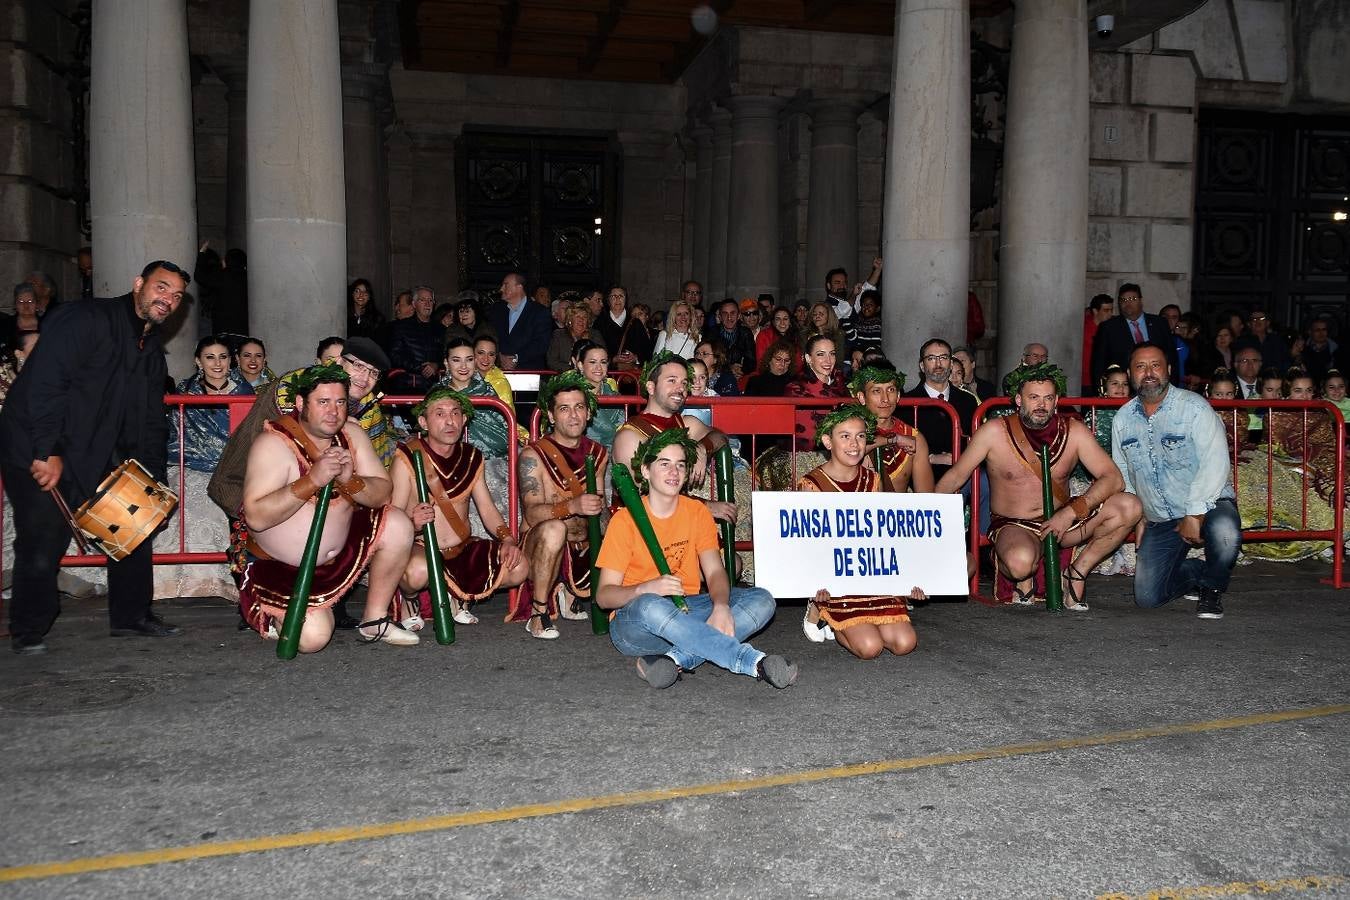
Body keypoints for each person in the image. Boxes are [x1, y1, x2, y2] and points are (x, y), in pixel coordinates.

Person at [0, 259, 193, 653]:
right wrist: (46, 450)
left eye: (175, 296)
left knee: (131, 524)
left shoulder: (150, 348)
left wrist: (152, 478)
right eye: (161, 288)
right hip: (38, 444)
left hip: (95, 448)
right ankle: (28, 628)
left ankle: (131, 616)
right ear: (139, 283)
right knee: (43, 539)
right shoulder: (85, 319)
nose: (167, 300)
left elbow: (149, 418)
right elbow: (45, 384)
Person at [596, 428, 795, 689]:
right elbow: (604, 596)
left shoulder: (697, 512)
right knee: (650, 604)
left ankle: (674, 660)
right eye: (664, 464)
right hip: (636, 622)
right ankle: (751, 662)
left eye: (680, 465)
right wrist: (647, 588)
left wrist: (721, 606)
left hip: (688, 608)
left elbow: (714, 572)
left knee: (762, 600)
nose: (673, 472)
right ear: (645, 470)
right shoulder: (624, 520)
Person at [236, 362, 418, 649]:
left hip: (338, 562)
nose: (333, 412)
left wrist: (351, 481)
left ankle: (375, 620)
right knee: (314, 638)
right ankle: (267, 613)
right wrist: (312, 480)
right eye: (323, 402)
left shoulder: (352, 435)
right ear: (300, 403)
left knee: (396, 523)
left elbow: (382, 493)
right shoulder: (273, 443)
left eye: (340, 402)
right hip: (279, 569)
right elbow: (257, 517)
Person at [937, 363, 1142, 610]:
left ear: (1056, 401)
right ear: (1018, 400)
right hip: (1014, 524)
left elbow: (1113, 478)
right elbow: (956, 477)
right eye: (1033, 397)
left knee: (1129, 506)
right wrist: (925, 519)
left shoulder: (1074, 431)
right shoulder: (994, 431)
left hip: (1063, 523)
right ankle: (1011, 565)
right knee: (1020, 562)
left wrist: (1069, 513)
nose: (1041, 405)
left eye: (1047, 398)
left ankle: (1077, 572)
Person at [1112, 343, 1240, 618]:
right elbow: (1122, 472)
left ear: (1169, 370)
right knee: (1148, 597)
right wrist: (1139, 517)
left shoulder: (1194, 408)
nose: (1149, 373)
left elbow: (1215, 462)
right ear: (1130, 374)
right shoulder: (1122, 419)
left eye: (1155, 365)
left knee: (1226, 533)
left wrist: (1195, 513)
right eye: (1140, 366)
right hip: (1160, 516)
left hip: (1209, 504)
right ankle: (1198, 574)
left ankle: (1212, 587)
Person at [389, 386, 527, 630]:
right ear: (424, 421)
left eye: (455, 413)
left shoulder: (472, 456)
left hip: (461, 549)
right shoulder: (407, 457)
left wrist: (507, 539)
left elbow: (486, 508)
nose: (449, 420)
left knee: (519, 566)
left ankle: (457, 593)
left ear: (464, 420)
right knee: (418, 572)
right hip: (421, 547)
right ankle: (409, 600)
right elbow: (392, 515)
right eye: (439, 414)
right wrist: (412, 523)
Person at [797, 404, 922, 659]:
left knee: (905, 643)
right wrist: (814, 583)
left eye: (861, 436)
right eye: (845, 436)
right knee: (869, 648)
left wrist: (910, 578)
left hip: (873, 578)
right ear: (827, 441)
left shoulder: (875, 479)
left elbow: (892, 533)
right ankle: (821, 612)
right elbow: (805, 544)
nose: (854, 444)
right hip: (836, 582)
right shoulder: (812, 485)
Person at [512, 371, 609, 638]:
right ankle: (538, 612)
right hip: (542, 545)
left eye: (579, 407)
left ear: (588, 413)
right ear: (551, 416)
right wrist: (573, 506)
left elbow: (600, 506)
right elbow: (531, 514)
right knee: (555, 528)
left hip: (583, 547)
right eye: (564, 409)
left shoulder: (597, 453)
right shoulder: (533, 455)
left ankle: (572, 590)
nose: (573, 415)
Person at [903, 338, 977, 483]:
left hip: (963, 474)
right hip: (921, 474)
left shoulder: (968, 401)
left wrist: (960, 459)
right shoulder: (907, 403)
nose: (938, 364)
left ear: (951, 364)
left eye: (943, 358)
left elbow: (976, 442)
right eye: (931, 358)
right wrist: (931, 458)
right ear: (922, 366)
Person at [849, 366, 933, 493]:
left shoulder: (914, 438)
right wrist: (894, 439)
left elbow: (927, 498)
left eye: (891, 390)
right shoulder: (848, 432)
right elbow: (847, 455)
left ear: (898, 395)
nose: (885, 399)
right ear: (862, 397)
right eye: (876, 391)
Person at [1090, 283, 1179, 386]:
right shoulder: (1109, 328)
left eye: (1133, 299)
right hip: (1123, 390)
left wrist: (1172, 386)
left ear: (1141, 301)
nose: (1128, 303)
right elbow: (1099, 364)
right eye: (1123, 300)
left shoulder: (1159, 323)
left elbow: (1172, 358)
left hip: (1157, 385)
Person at [488, 272, 554, 370]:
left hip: (529, 373)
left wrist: (516, 358)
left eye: (505, 285)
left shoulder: (540, 312)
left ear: (519, 287)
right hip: (498, 372)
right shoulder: (497, 310)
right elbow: (490, 336)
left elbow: (541, 343)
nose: (501, 289)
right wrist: (499, 356)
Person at [386, 285, 444, 392]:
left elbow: (446, 354)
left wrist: (436, 365)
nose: (427, 304)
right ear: (414, 304)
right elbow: (394, 356)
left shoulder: (441, 329)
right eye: (422, 300)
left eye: (430, 300)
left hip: (435, 387)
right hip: (408, 387)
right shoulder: (401, 327)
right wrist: (420, 367)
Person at [573, 338, 625, 450]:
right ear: (581, 366)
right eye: (592, 362)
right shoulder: (569, 395)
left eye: (603, 362)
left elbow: (622, 433)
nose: (598, 367)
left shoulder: (616, 398)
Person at [1081, 293, 1114, 393]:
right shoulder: (1083, 327)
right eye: (1106, 310)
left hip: (1106, 379)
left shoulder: (1112, 328)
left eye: (1111, 310)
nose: (1110, 314)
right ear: (1095, 311)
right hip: (1085, 381)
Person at [758, 305, 800, 374]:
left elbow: (798, 364)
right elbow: (761, 363)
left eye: (785, 319)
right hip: (767, 376)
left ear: (790, 322)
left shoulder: (795, 336)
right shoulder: (764, 335)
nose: (782, 322)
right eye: (778, 319)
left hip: (790, 376)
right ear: (773, 322)